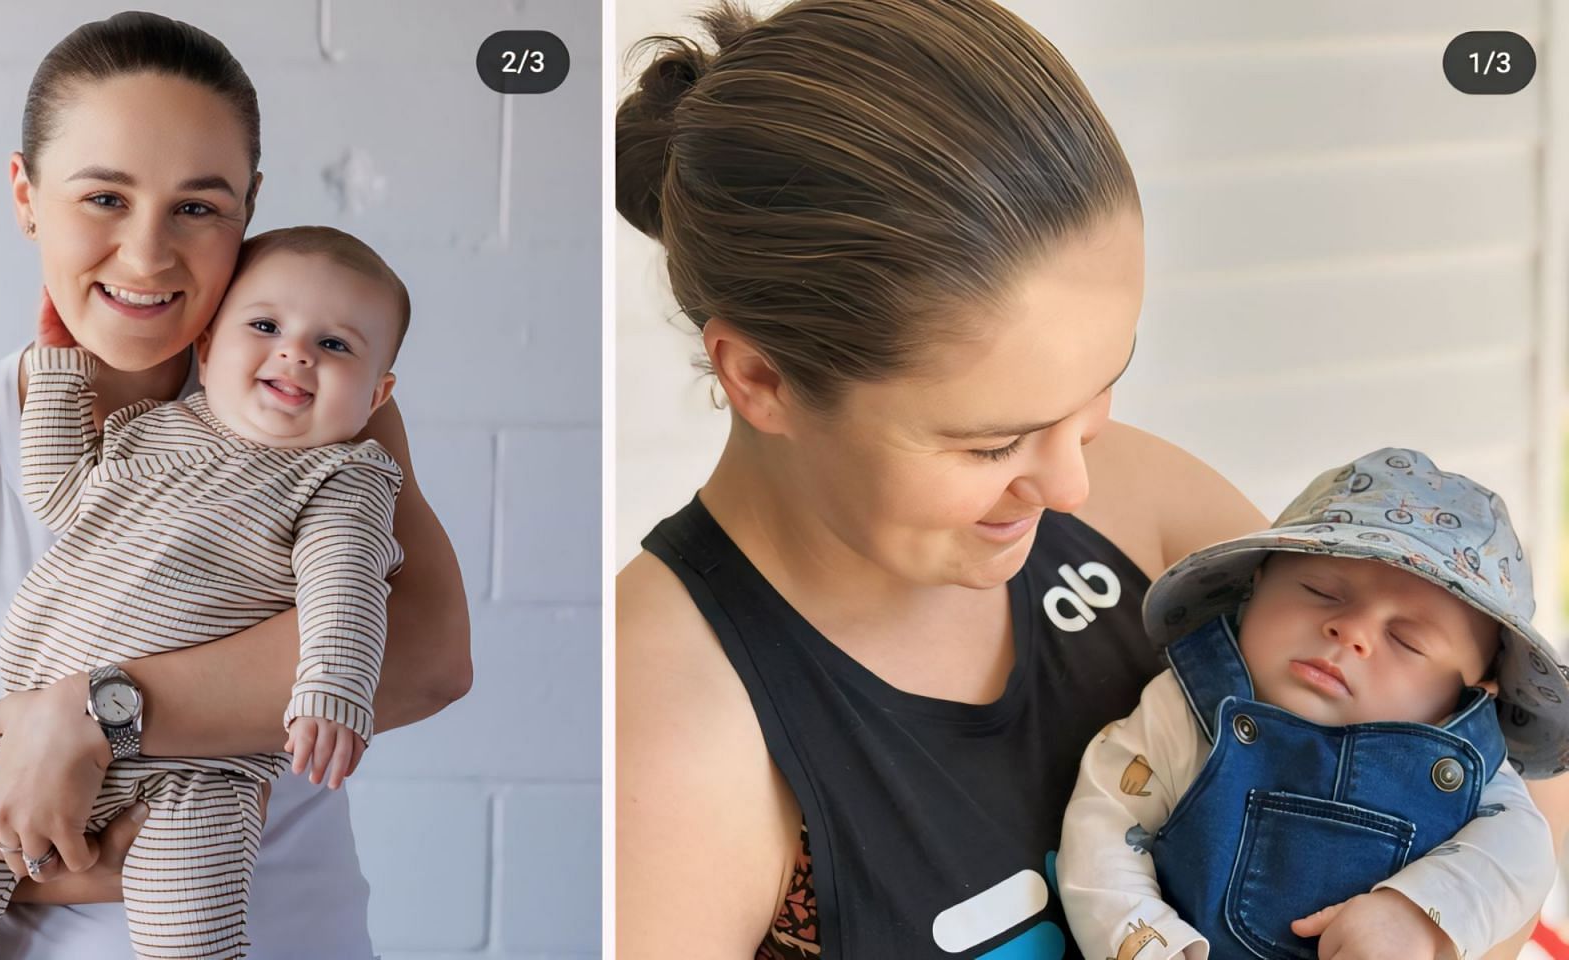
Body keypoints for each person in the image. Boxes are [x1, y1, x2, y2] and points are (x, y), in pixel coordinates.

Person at [612, 2, 1567, 958]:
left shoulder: (1137, 502)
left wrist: (1439, 920)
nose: (1072, 482)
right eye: (994, 444)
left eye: (1102, 391)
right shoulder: (659, 731)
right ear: (760, 379)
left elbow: (1519, 795)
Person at [0, 13, 471, 959]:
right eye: (103, 197)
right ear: (26, 194)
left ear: (248, 209)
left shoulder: (325, 419)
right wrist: (65, 859)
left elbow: (424, 656)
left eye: (198, 206)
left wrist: (92, 714)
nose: (147, 255)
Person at [0, 226, 412, 958]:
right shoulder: (150, 433)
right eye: (265, 327)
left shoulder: (341, 478)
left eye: (336, 346)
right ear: (208, 349)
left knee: (188, 935)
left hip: (202, 769)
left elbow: (346, 587)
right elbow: (58, 494)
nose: (296, 352)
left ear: (376, 395)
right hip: (25, 740)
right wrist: (59, 371)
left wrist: (332, 686)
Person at [1058, 448, 1564, 960]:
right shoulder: (1187, 709)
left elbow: (1521, 852)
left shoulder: (1464, 766)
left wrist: (1418, 915)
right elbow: (1104, 823)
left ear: (1472, 691)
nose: (1351, 632)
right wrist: (1151, 943)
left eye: (1408, 640)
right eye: (1320, 591)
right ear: (1255, 587)